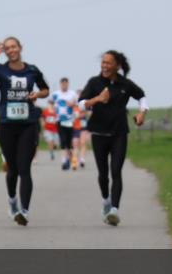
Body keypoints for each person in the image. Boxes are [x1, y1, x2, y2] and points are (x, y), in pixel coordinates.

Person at [0, 37, 49, 226]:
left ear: (20, 48)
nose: (11, 50)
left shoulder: (32, 70)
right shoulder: (1, 70)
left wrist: (37, 94)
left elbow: (45, 90)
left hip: (28, 124)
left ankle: (24, 210)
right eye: (7, 48)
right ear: (5, 51)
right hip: (7, 125)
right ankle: (12, 201)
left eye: (13, 47)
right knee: (12, 168)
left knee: (25, 168)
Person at [78, 50, 148, 227]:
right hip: (99, 134)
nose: (104, 66)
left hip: (119, 134)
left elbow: (141, 96)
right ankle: (106, 201)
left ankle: (114, 210)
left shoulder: (125, 84)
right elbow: (80, 104)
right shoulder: (94, 82)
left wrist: (142, 113)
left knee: (116, 171)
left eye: (108, 63)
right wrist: (97, 99)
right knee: (103, 175)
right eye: (103, 62)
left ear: (117, 65)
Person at [52, 78, 78, 170]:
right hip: (60, 120)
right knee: (62, 141)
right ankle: (64, 161)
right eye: (63, 84)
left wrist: (72, 104)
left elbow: (77, 105)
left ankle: (70, 158)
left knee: (69, 142)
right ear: (60, 84)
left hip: (70, 120)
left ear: (68, 84)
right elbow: (53, 106)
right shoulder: (56, 94)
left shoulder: (73, 94)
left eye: (66, 84)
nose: (64, 86)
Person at [73, 95, 89, 169]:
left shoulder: (85, 106)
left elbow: (88, 113)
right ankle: (75, 161)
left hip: (83, 127)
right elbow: (73, 116)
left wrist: (84, 112)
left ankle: (82, 159)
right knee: (75, 144)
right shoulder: (73, 107)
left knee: (83, 143)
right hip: (75, 127)